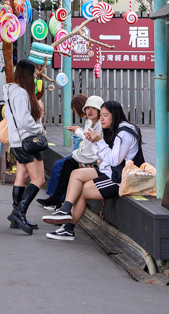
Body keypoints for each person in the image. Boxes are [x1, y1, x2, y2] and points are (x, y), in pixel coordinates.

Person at [43, 100, 144, 241]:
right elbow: (102, 157)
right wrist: (95, 141)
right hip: (110, 170)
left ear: (114, 115)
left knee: (83, 190)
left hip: (121, 178)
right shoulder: (114, 129)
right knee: (76, 174)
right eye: (101, 115)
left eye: (105, 115)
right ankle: (65, 210)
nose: (102, 118)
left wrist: (99, 141)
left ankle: (68, 228)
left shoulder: (124, 133)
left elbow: (114, 160)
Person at [38, 95, 104, 209]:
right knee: (65, 164)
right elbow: (90, 145)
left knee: (63, 166)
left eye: (93, 108)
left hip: (98, 163)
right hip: (88, 156)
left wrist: (78, 131)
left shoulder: (100, 125)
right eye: (87, 108)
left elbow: (93, 148)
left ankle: (60, 201)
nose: (89, 111)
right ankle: (59, 201)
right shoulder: (93, 122)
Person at [4, 60, 46, 235]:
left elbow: (9, 115)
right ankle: (19, 212)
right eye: (34, 73)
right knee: (39, 179)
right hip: (28, 141)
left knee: (21, 177)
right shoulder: (21, 93)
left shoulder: (10, 90)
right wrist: (40, 128)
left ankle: (16, 216)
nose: (36, 76)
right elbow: (24, 120)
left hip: (16, 141)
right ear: (27, 74)